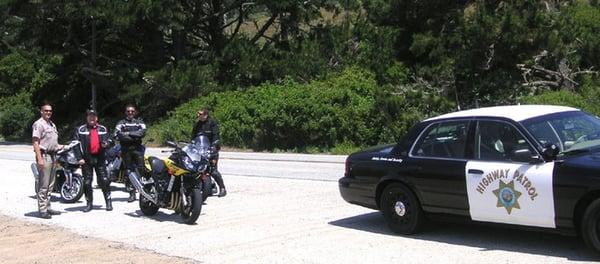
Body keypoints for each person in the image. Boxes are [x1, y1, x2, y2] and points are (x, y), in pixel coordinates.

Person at [74, 109, 112, 212]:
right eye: (90, 116)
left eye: (94, 116)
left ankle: (108, 202)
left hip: (100, 158)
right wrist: (79, 158)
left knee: (104, 180)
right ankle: (89, 203)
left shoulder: (103, 129)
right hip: (86, 159)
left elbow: (109, 140)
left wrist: (106, 144)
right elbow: (75, 145)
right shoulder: (80, 129)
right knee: (87, 182)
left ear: (97, 118)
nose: (92, 118)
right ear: (87, 117)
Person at [32, 101, 63, 219]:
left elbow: (53, 142)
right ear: (41, 111)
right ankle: (42, 209)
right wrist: (39, 159)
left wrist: (62, 146)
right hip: (44, 156)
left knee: (51, 184)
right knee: (43, 184)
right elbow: (35, 142)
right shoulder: (38, 124)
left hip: (53, 156)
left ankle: (48, 206)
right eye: (46, 111)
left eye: (50, 111)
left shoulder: (51, 124)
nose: (48, 112)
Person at [191, 108, 226, 197]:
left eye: (200, 114)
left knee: (213, 171)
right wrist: (192, 145)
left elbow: (216, 135)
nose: (198, 115)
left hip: (211, 150)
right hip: (200, 150)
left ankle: (222, 188)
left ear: (205, 115)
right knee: (195, 169)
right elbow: (193, 137)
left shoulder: (212, 123)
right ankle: (198, 188)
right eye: (198, 114)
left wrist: (214, 145)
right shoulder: (197, 125)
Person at [115, 104, 146, 202]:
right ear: (125, 112)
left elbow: (142, 133)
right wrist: (134, 136)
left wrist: (128, 133)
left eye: (132, 111)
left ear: (135, 112)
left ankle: (143, 192)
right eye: (128, 111)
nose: (130, 113)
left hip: (138, 149)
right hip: (126, 150)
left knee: (141, 169)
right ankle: (131, 193)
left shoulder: (140, 122)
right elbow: (117, 135)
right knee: (129, 171)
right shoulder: (121, 123)